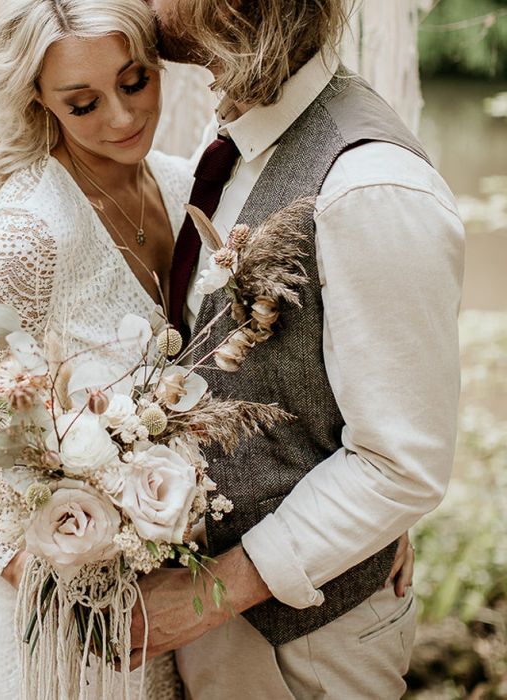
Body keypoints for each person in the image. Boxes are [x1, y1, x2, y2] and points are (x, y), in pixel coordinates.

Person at [129, 1, 466, 699]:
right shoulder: (238, 139)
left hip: (310, 648)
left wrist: (203, 599)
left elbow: (401, 464)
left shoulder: (371, 189)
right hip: (222, 627)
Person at [0, 1, 193, 697]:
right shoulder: (25, 233)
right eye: (83, 104)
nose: (120, 117)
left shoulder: (183, 186)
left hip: (158, 611)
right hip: (31, 627)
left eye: (135, 81)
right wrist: (34, 565)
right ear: (41, 104)